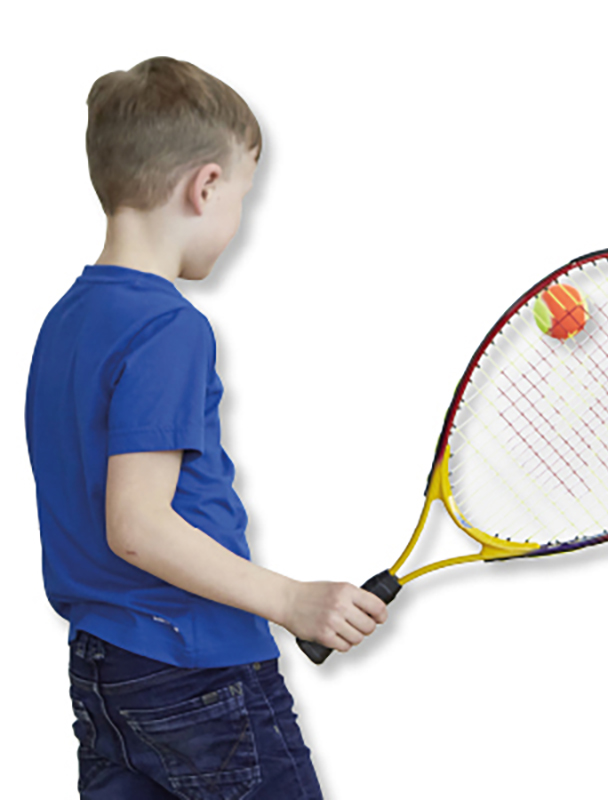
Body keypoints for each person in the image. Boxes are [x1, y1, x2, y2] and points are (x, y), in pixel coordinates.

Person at [24, 55, 388, 799]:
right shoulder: (168, 327)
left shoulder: (65, 322)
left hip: (103, 672)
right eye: (243, 198)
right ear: (205, 185)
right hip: (196, 669)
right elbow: (136, 526)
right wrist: (292, 601)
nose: (238, 224)